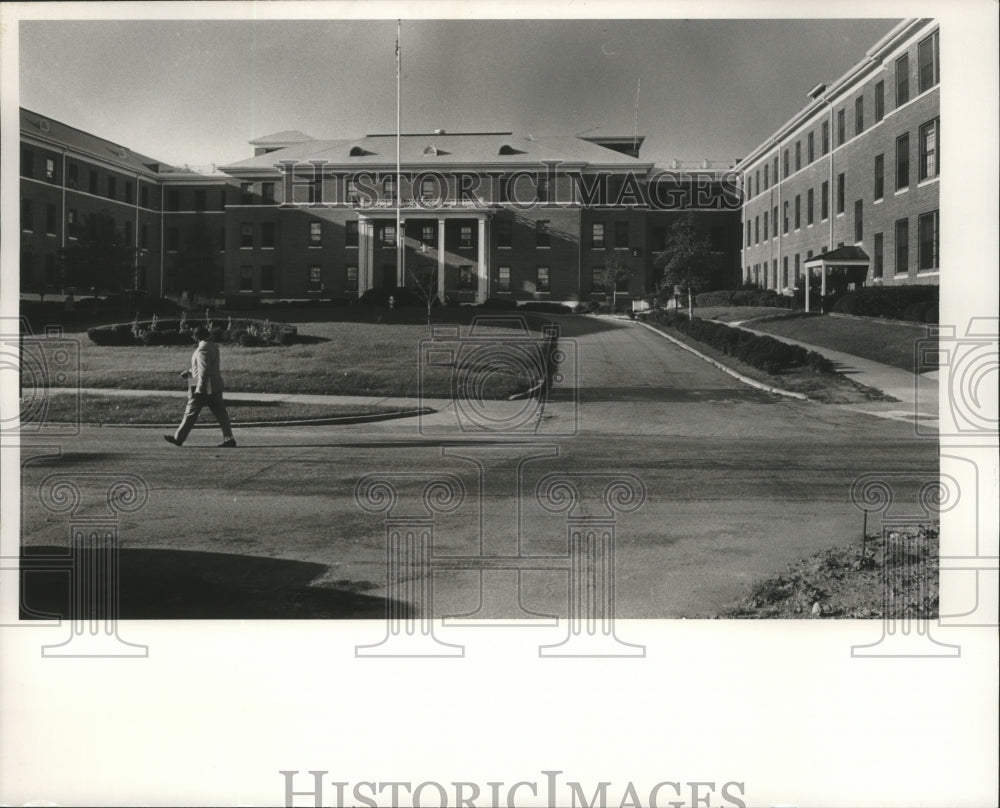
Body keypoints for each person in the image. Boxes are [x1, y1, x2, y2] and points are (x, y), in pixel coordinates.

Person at [164, 326, 237, 448]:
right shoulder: (213, 346)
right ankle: (229, 438)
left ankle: (178, 438)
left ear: (197, 336)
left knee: (190, 412)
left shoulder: (202, 349)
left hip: (202, 386)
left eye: (193, 335)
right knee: (221, 414)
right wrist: (190, 372)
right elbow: (206, 366)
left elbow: (204, 370)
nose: (193, 337)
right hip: (215, 386)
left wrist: (200, 388)